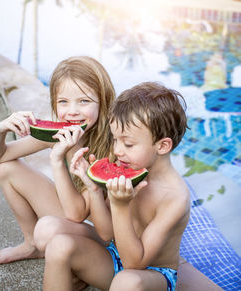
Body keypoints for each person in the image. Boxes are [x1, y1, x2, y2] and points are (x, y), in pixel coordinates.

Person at [41, 81, 191, 291]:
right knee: (59, 246)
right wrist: (93, 189)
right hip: (114, 254)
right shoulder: (126, 168)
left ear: (163, 145)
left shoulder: (175, 197)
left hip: (151, 275)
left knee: (127, 282)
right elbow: (105, 233)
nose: (118, 151)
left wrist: (120, 206)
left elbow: (134, 264)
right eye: (115, 140)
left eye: (128, 144)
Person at [0, 56, 116, 266]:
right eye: (63, 102)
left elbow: (76, 214)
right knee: (6, 170)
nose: (72, 111)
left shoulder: (110, 148)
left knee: (49, 229)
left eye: (84, 101)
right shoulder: (60, 132)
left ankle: (81, 262)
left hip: (103, 238)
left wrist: (57, 161)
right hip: (75, 222)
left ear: (103, 101)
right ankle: (31, 244)